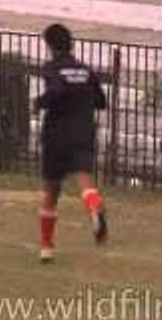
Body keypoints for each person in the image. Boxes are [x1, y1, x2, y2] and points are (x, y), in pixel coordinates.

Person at [35, 23, 109, 264]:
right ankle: (94, 208)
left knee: (51, 190)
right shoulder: (86, 70)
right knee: (85, 181)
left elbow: (55, 92)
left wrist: (39, 102)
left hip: (57, 134)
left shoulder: (51, 68)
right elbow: (101, 101)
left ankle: (46, 247)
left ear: (50, 45)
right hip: (83, 131)